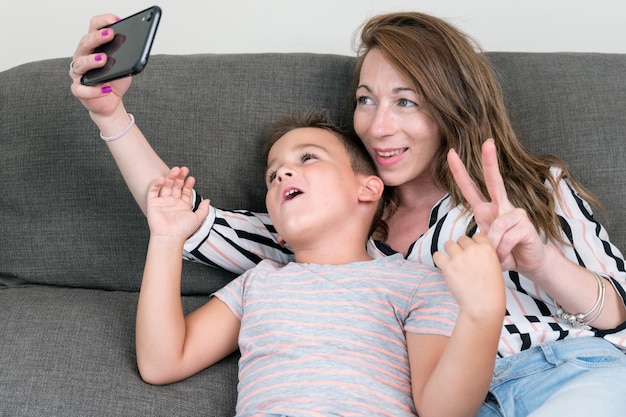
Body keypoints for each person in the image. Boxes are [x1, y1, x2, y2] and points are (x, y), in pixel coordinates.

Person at [69, 11, 626, 417]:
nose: (378, 126)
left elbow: (619, 312)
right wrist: (110, 115)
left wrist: (539, 261)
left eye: (405, 101)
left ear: (452, 105)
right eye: (366, 99)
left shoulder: (530, 187)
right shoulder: (318, 231)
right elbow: (182, 217)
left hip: (562, 371)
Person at [136, 111, 505, 417]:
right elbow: (162, 363)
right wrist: (166, 240)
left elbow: (442, 411)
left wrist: (482, 314)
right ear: (277, 230)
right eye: (272, 174)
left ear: (368, 189)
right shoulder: (259, 282)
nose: (281, 174)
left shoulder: (419, 283)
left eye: (307, 157)